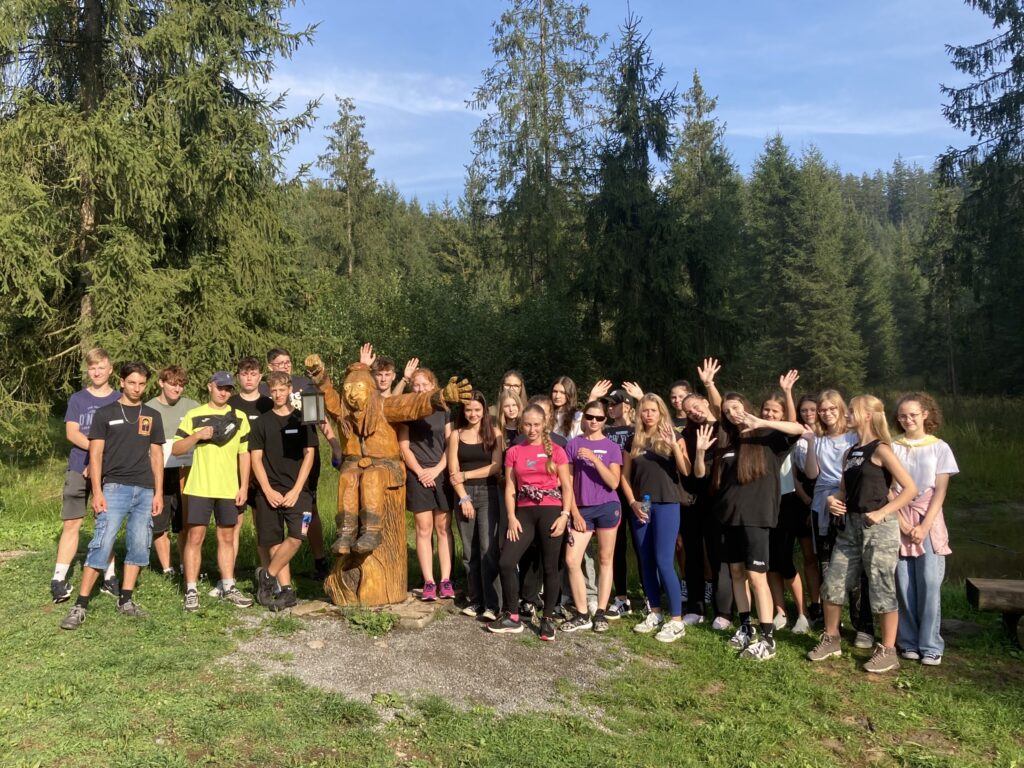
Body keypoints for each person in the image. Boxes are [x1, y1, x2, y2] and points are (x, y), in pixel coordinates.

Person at [807, 395, 917, 673]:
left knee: (881, 587)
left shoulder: (881, 450)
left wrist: (882, 512)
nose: (846, 415)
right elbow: (843, 490)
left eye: (851, 411)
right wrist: (832, 500)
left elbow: (910, 488)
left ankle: (888, 651)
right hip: (850, 527)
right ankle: (831, 639)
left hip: (879, 528)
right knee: (832, 582)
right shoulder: (850, 453)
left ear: (867, 415)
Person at [697, 392, 806, 661]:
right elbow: (704, 475)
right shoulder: (727, 441)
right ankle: (746, 627)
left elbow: (798, 428)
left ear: (746, 406)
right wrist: (701, 452)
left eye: (735, 407)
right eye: (727, 411)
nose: (732, 413)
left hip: (757, 517)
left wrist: (761, 422)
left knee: (757, 577)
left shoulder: (769, 437)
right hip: (728, 518)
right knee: (736, 573)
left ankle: (767, 638)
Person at [60, 362, 164, 629]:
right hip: (114, 488)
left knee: (139, 545)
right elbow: (95, 455)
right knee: (102, 543)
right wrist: (97, 492)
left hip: (144, 490)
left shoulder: (152, 415)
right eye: (132, 383)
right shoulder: (105, 413)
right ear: (122, 382)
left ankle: (125, 600)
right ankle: (80, 605)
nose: (137, 388)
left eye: (141, 384)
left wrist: (158, 493)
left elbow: (156, 457)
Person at [489, 404, 572, 640]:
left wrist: (565, 515)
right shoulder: (514, 451)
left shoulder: (557, 451)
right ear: (521, 425)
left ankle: (547, 620)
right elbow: (510, 487)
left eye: (536, 424)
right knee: (506, 562)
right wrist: (511, 517)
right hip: (523, 512)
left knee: (550, 566)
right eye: (527, 424)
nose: (532, 429)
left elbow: (567, 487)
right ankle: (513, 616)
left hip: (551, 511)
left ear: (544, 424)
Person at [172, 371, 253, 611]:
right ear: (210, 387)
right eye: (220, 387)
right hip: (199, 487)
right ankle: (191, 589)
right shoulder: (194, 415)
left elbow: (244, 455)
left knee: (227, 538)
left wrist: (243, 486)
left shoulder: (240, 417)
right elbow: (176, 449)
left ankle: (228, 586)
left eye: (228, 389)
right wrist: (197, 435)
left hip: (228, 488)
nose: (224, 392)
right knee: (194, 537)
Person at [892, 392, 958, 666]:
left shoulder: (940, 447)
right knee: (904, 583)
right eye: (902, 416)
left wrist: (924, 526)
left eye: (913, 414)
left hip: (928, 520)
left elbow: (940, 491)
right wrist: (902, 523)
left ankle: (930, 644)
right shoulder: (892, 446)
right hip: (899, 518)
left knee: (930, 582)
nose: (907, 420)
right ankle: (907, 640)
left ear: (925, 414)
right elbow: (887, 488)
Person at [620, 394, 691, 643]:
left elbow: (686, 470)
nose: (648, 414)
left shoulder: (674, 436)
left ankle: (677, 620)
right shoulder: (633, 440)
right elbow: (625, 477)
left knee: (664, 561)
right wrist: (632, 502)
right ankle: (655, 612)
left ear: (661, 412)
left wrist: (674, 446)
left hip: (668, 503)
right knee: (646, 560)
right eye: (644, 410)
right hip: (643, 504)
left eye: (653, 410)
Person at [52, 348, 121, 603]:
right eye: (92, 368)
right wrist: (94, 453)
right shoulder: (78, 399)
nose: (97, 372)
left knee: (106, 522)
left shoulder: (120, 400)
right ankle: (59, 578)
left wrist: (99, 460)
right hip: (78, 466)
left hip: (110, 469)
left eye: (101, 367)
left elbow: (121, 437)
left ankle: (109, 577)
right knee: (72, 523)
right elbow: (72, 433)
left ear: (110, 369)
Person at [264, 347, 338, 579]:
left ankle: (319, 560)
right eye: (280, 363)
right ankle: (275, 569)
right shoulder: (264, 390)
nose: (285, 366)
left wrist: (334, 444)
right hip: (274, 461)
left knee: (309, 508)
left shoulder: (305, 385)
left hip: (306, 455)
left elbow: (320, 418)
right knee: (272, 513)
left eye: (288, 362)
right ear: (270, 367)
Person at [250, 371, 318, 612]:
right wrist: (267, 490)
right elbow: (255, 459)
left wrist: (296, 490)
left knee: (298, 535)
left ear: (290, 389)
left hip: (299, 492)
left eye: (282, 389)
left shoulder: (303, 419)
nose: (278, 394)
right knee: (274, 541)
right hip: (269, 492)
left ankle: (267, 576)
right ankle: (286, 590)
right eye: (274, 390)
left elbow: (310, 455)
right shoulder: (261, 423)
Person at [811, 390, 873, 648]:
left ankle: (863, 626)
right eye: (822, 410)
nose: (826, 413)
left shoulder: (854, 436)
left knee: (857, 569)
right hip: (824, 505)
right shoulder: (817, 438)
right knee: (827, 566)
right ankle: (832, 627)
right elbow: (812, 473)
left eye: (831, 409)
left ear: (840, 409)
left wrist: (842, 497)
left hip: (851, 505)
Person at [761, 373, 818, 635]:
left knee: (784, 559)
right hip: (764, 502)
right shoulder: (759, 433)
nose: (770, 414)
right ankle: (780, 611)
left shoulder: (788, 435)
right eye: (766, 409)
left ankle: (803, 614)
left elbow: (794, 422)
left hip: (786, 501)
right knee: (770, 561)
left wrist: (787, 392)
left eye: (775, 411)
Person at [561, 400, 622, 633]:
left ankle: (600, 612)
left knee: (605, 559)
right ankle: (582, 613)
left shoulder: (611, 447)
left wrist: (595, 459)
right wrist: (574, 512)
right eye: (590, 417)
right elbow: (567, 484)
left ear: (605, 420)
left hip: (607, 506)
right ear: (584, 418)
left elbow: (614, 482)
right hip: (582, 509)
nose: (594, 421)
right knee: (572, 560)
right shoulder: (573, 444)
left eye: (599, 418)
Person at [397, 367, 455, 601]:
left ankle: (446, 580)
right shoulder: (407, 411)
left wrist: (438, 469)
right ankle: (429, 581)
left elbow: (451, 444)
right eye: (416, 385)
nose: (421, 389)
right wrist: (421, 472)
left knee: (443, 527)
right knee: (423, 528)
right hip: (417, 474)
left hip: (441, 472)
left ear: (433, 385)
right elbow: (404, 446)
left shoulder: (444, 409)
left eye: (425, 384)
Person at [448, 390, 502, 620]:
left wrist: (467, 474)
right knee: (470, 551)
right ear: (463, 411)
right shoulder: (456, 435)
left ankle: (493, 604)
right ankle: (475, 600)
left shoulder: (495, 433)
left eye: (477, 410)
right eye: (468, 409)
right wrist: (463, 497)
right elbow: (453, 470)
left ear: (484, 410)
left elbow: (495, 466)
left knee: (488, 549)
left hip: (489, 494)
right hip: (464, 496)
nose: (473, 414)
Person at [146, 365, 199, 576]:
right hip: (158, 472)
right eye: (172, 384)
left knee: (185, 522)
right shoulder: (148, 408)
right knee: (160, 522)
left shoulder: (192, 406)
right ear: (161, 383)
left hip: (186, 470)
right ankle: (168, 568)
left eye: (181, 385)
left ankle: (186, 564)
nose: (177, 389)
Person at [226, 356, 274, 587]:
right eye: (244, 374)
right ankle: (230, 577)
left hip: (263, 473)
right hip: (236, 473)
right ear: (238, 377)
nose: (249, 379)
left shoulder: (268, 403)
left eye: (253, 374)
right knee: (233, 526)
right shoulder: (230, 403)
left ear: (260, 377)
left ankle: (268, 574)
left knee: (263, 527)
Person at [603, 389, 639, 619]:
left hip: (637, 494)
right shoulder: (604, 430)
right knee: (617, 547)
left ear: (627, 406)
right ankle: (621, 598)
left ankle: (651, 597)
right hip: (611, 493)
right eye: (608, 404)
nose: (609, 408)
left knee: (641, 544)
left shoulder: (638, 429)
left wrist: (641, 399)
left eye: (614, 404)